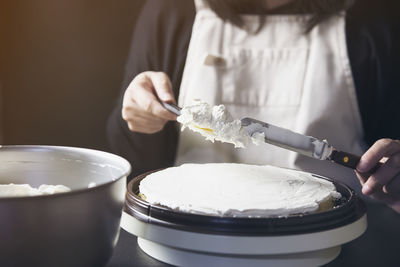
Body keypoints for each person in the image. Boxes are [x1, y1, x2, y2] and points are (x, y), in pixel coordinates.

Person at [107, 0, 400, 213]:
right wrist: (139, 120)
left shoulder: (377, 18)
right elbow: (132, 165)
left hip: (337, 236)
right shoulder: (172, 11)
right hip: (191, 234)